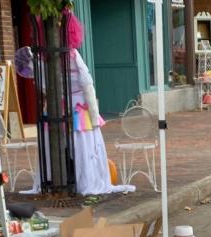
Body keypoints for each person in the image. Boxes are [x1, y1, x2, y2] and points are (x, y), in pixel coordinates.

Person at [18, 12, 134, 196]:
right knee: (84, 146)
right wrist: (94, 115)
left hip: (60, 106)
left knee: (67, 145)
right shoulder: (70, 55)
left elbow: (43, 86)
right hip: (78, 107)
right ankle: (82, 180)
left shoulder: (44, 59)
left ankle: (64, 179)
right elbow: (87, 84)